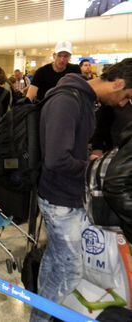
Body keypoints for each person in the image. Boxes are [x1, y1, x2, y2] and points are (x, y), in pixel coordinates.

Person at [30, 58, 132, 322]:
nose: (123, 103)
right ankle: (42, 317)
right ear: (118, 83)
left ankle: (39, 310)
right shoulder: (67, 101)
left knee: (54, 260)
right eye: (127, 96)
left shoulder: (82, 99)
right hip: (59, 200)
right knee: (71, 271)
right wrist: (92, 168)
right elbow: (56, 159)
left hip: (65, 195)